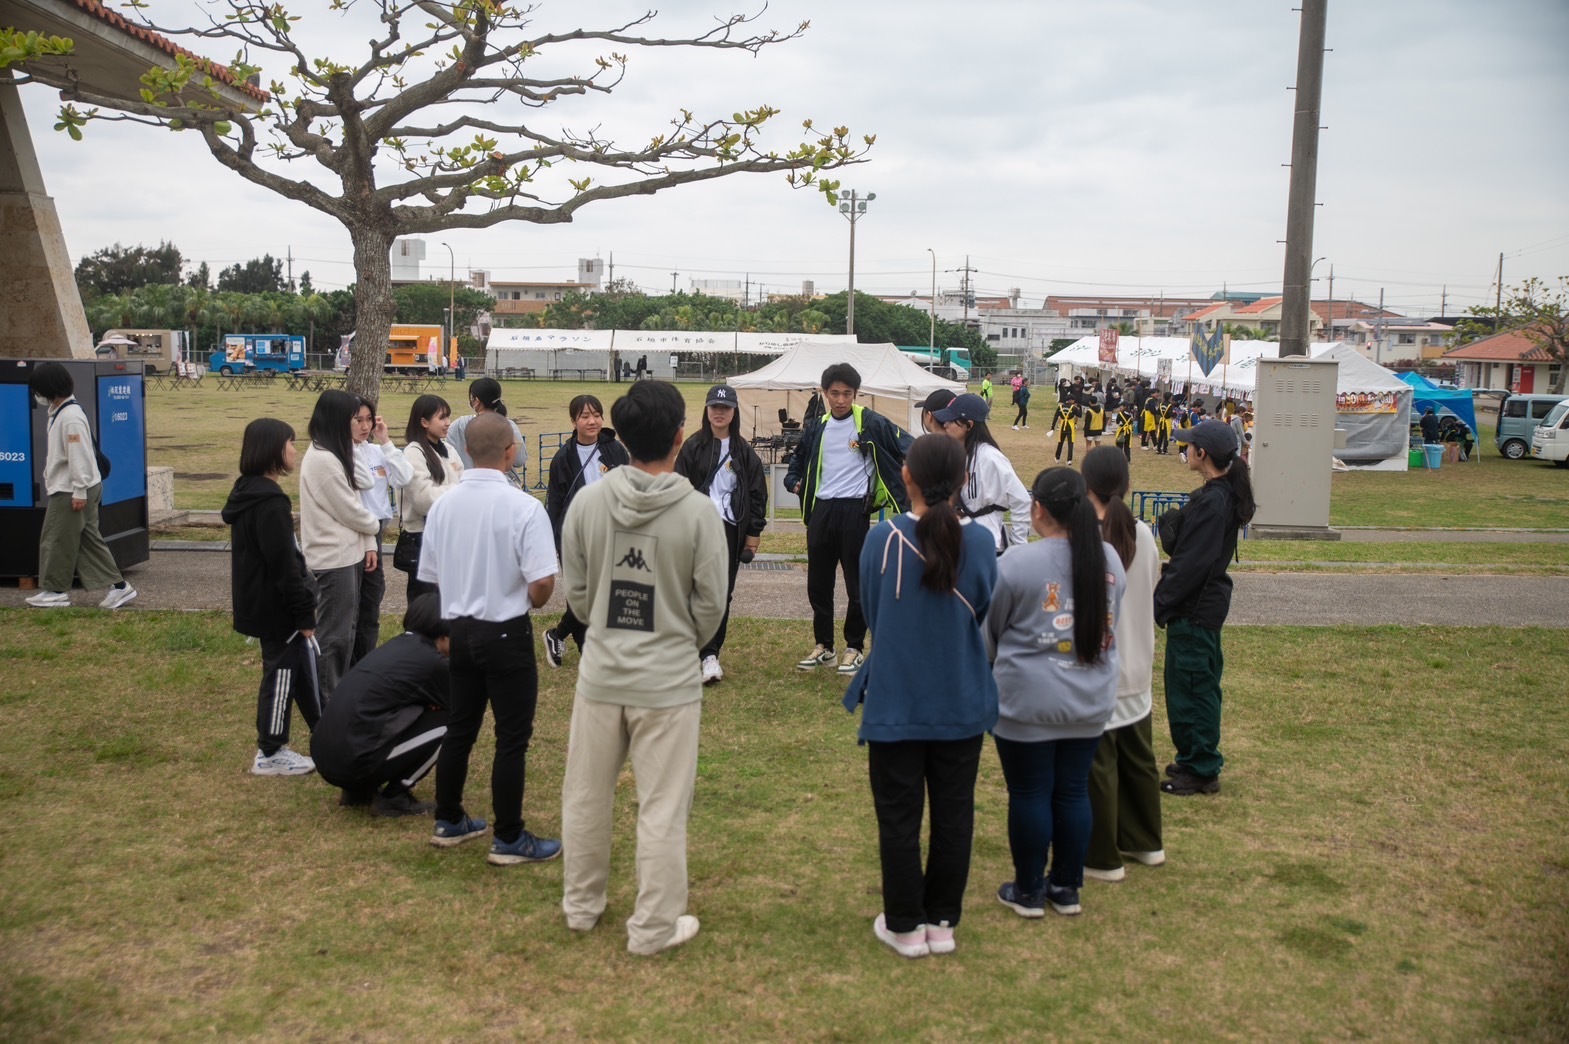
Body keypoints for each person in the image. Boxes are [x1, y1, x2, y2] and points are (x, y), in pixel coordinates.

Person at [559, 379, 728, 955]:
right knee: (662, 807)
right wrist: (676, 640)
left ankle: (582, 905)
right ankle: (653, 926)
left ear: (622, 435)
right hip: (667, 681)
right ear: (680, 435)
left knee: (586, 796)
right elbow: (710, 606)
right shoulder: (699, 513)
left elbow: (581, 596)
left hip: (603, 673)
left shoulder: (588, 503)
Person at [842, 434, 999, 959]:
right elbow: (979, 609)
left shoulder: (881, 539)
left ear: (906, 475)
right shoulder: (981, 543)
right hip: (960, 698)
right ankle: (940, 921)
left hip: (897, 701)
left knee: (899, 816)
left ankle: (907, 925)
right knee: (954, 814)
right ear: (962, 481)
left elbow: (874, 613)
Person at [418, 414, 560, 864]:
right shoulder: (524, 507)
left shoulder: (444, 506)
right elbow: (542, 583)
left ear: (467, 450)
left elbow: (432, 576)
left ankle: (448, 818)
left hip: (460, 629)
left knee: (461, 727)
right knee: (511, 737)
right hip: (505, 630)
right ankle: (509, 836)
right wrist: (527, 596)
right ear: (510, 451)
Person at [986, 467, 1126, 919]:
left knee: (1029, 792)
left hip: (1027, 701)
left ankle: (1029, 890)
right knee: (1072, 791)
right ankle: (1066, 886)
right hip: (1089, 698)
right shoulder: (1109, 559)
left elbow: (990, 632)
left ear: (1038, 509)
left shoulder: (1016, 563)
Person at [784, 363, 912, 675]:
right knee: (818, 583)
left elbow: (908, 445)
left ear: (856, 394)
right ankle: (824, 646)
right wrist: (794, 482)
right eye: (834, 393)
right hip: (822, 510)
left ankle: (854, 647)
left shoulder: (870, 422)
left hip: (855, 510)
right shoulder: (817, 426)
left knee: (857, 584)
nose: (840, 400)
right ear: (825, 393)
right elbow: (797, 460)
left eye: (847, 394)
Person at [1155, 420, 1257, 796]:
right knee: (1187, 685)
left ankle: (1201, 768)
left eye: (1190, 446)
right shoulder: (1217, 494)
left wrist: (1160, 602)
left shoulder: (1214, 502)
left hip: (1195, 609)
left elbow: (1191, 564)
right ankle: (1191, 757)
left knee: (1194, 687)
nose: (1185, 451)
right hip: (1199, 606)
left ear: (1203, 454)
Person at [1080, 448, 1164, 883]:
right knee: (1139, 757)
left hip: (1099, 669)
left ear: (1086, 486)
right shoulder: (1143, 534)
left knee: (1099, 765)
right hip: (1138, 664)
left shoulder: (1083, 540)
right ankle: (1146, 841)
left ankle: (1101, 857)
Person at [221, 417, 319, 776]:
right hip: (277, 608)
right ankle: (271, 751)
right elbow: (284, 565)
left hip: (263, 602)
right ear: (272, 450)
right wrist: (303, 612)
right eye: (291, 443)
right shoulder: (270, 501)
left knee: (301, 672)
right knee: (280, 676)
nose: (295, 450)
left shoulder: (248, 491)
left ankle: (327, 733)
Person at [311, 594, 451, 817]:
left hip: (323, 756)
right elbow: (460, 705)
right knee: (450, 723)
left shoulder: (396, 646)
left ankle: (357, 791)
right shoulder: (432, 661)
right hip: (354, 762)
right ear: (444, 634)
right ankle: (395, 798)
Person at [24, 362, 138, 610]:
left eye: (38, 389)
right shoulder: (64, 412)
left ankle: (55, 591)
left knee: (56, 538)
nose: (36, 395)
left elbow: (79, 457)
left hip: (72, 489)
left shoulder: (69, 417)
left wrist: (79, 491)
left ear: (49, 388)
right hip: (80, 487)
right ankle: (119, 587)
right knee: (88, 542)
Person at [675, 384, 768, 684]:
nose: (719, 412)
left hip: (729, 531)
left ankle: (710, 655)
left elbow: (757, 495)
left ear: (734, 412)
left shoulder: (744, 452)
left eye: (725, 408)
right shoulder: (692, 447)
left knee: (721, 594)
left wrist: (752, 535)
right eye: (714, 407)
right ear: (706, 410)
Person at [299, 389, 381, 702]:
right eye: (353, 419)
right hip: (333, 559)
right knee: (334, 636)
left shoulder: (336, 451)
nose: (361, 425)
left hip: (349, 554)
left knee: (347, 631)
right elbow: (350, 510)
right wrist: (374, 527)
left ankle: (339, 698)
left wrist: (368, 541)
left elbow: (363, 487)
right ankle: (326, 705)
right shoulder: (322, 459)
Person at [542, 395, 630, 669]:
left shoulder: (615, 451)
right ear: (573, 421)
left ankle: (557, 635)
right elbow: (555, 503)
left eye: (596, 415)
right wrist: (553, 542)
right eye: (584, 416)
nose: (592, 421)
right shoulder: (563, 458)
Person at [350, 397, 413, 665]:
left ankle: (364, 661)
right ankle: (348, 662)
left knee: (372, 597)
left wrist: (385, 441)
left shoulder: (376, 452)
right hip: (353, 531)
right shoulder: (341, 453)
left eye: (369, 419)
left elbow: (404, 477)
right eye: (358, 420)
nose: (365, 426)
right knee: (352, 601)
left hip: (375, 530)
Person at [933, 393, 1030, 554]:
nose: (945, 425)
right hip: (958, 541)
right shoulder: (959, 454)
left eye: (951, 420)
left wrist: (1019, 545)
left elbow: (1022, 500)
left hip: (986, 545)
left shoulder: (990, 457)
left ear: (969, 425)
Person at [398, 395, 464, 601]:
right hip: (423, 538)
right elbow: (424, 499)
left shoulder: (449, 450)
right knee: (426, 604)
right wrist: (458, 491)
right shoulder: (413, 453)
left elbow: (464, 480)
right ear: (424, 422)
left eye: (448, 417)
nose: (448, 423)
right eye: (442, 418)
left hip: (449, 537)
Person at [447, 377, 526, 484]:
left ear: (476, 401)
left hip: (467, 483)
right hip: (502, 484)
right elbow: (520, 460)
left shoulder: (459, 425)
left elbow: (448, 457)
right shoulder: (508, 425)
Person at [1052, 395, 1080, 462]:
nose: (1074, 401)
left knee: (1060, 442)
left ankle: (1057, 458)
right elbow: (1079, 415)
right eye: (1073, 400)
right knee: (1070, 443)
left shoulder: (1060, 407)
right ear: (1070, 400)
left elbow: (1055, 417)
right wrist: (1078, 408)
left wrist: (1052, 427)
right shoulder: (1073, 407)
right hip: (1070, 426)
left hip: (1062, 426)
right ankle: (1069, 460)